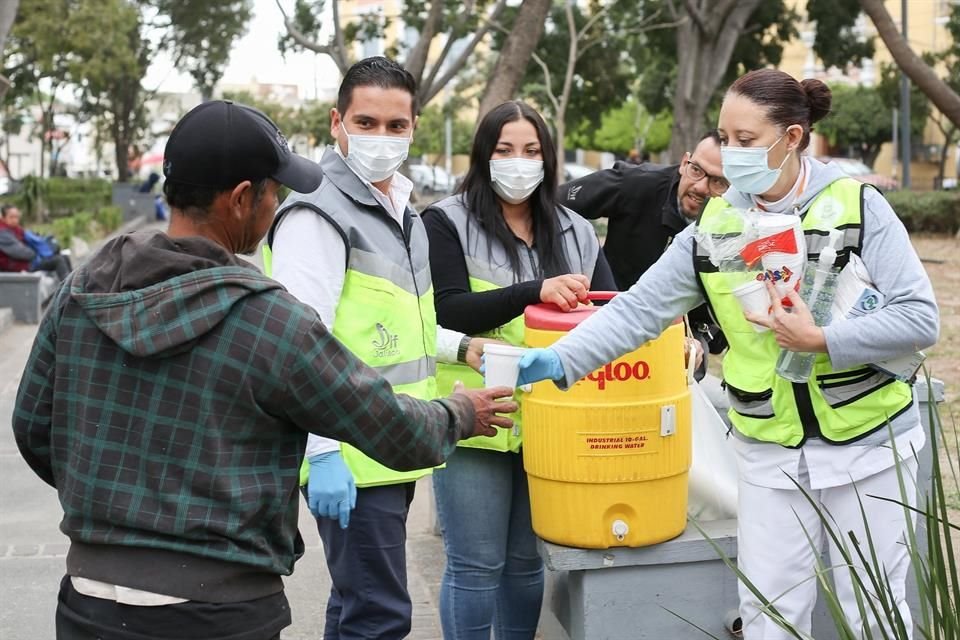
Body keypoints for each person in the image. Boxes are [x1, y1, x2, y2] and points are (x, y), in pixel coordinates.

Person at [12, 99, 517, 640]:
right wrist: (459, 412)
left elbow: (32, 426)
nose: (278, 204)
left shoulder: (82, 292)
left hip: (90, 598)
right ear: (240, 200)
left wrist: (110, 504)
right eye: (274, 192)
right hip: (218, 610)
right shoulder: (264, 318)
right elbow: (387, 425)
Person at [516, 69, 939, 639]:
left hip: (868, 443)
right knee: (770, 613)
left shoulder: (858, 206)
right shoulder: (715, 228)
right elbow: (639, 309)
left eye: (747, 141)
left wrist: (822, 339)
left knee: (874, 613)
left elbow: (920, 318)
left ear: (791, 138)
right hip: (769, 450)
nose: (731, 154)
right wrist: (561, 360)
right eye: (724, 136)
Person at [267, 57, 494, 640]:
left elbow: (396, 326)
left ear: (415, 125)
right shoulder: (319, 214)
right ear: (336, 122)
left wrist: (461, 348)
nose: (381, 138)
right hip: (348, 455)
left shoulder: (400, 211)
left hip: (390, 445)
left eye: (396, 126)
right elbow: (298, 344)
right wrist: (320, 455)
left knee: (356, 609)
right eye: (366, 122)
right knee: (380, 616)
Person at [420, 100, 617, 639]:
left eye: (531, 151)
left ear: (548, 160)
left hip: (554, 428)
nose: (518, 162)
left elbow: (614, 312)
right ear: (484, 156)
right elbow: (448, 310)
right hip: (476, 421)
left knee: (528, 566)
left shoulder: (576, 231)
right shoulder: (446, 221)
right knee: (476, 567)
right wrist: (534, 291)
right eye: (505, 150)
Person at [557, 131, 728, 363]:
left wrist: (700, 342)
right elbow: (552, 206)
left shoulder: (737, 219)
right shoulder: (636, 183)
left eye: (717, 181)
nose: (700, 187)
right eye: (696, 170)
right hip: (608, 327)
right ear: (684, 162)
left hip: (682, 343)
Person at [0, 203, 72, 279]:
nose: (15, 220)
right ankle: (68, 289)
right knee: (58, 260)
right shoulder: (2, 233)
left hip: (28, 261)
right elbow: (22, 253)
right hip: (19, 265)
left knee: (64, 257)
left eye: (17, 217)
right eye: (11, 217)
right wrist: (38, 252)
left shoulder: (16, 229)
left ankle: (76, 287)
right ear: (3, 218)